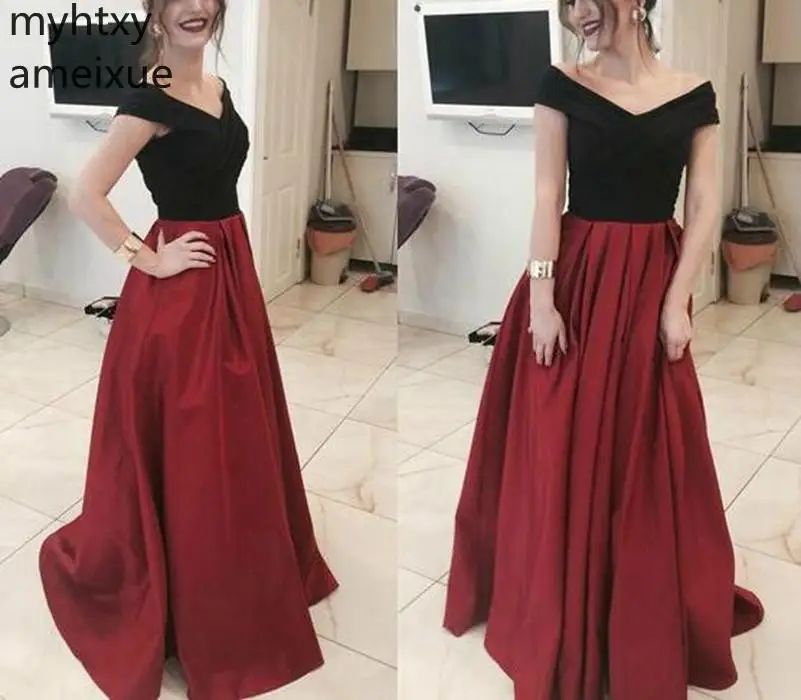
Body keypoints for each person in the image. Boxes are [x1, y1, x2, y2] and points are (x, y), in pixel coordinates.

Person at [442, 1, 764, 699]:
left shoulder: (693, 94)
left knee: (648, 441)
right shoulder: (561, 83)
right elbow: (545, 194)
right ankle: (562, 598)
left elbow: (704, 204)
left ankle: (635, 599)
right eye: (571, 2)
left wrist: (677, 299)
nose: (580, 12)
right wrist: (541, 298)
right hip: (579, 276)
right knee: (563, 439)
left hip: (652, 276)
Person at [38, 1, 339, 698]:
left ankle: (237, 556)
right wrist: (147, 258)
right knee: (198, 431)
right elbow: (86, 193)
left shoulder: (216, 86)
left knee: (236, 423)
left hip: (229, 267)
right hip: (183, 288)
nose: (196, 7)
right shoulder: (148, 98)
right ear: (157, 12)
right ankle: (196, 580)